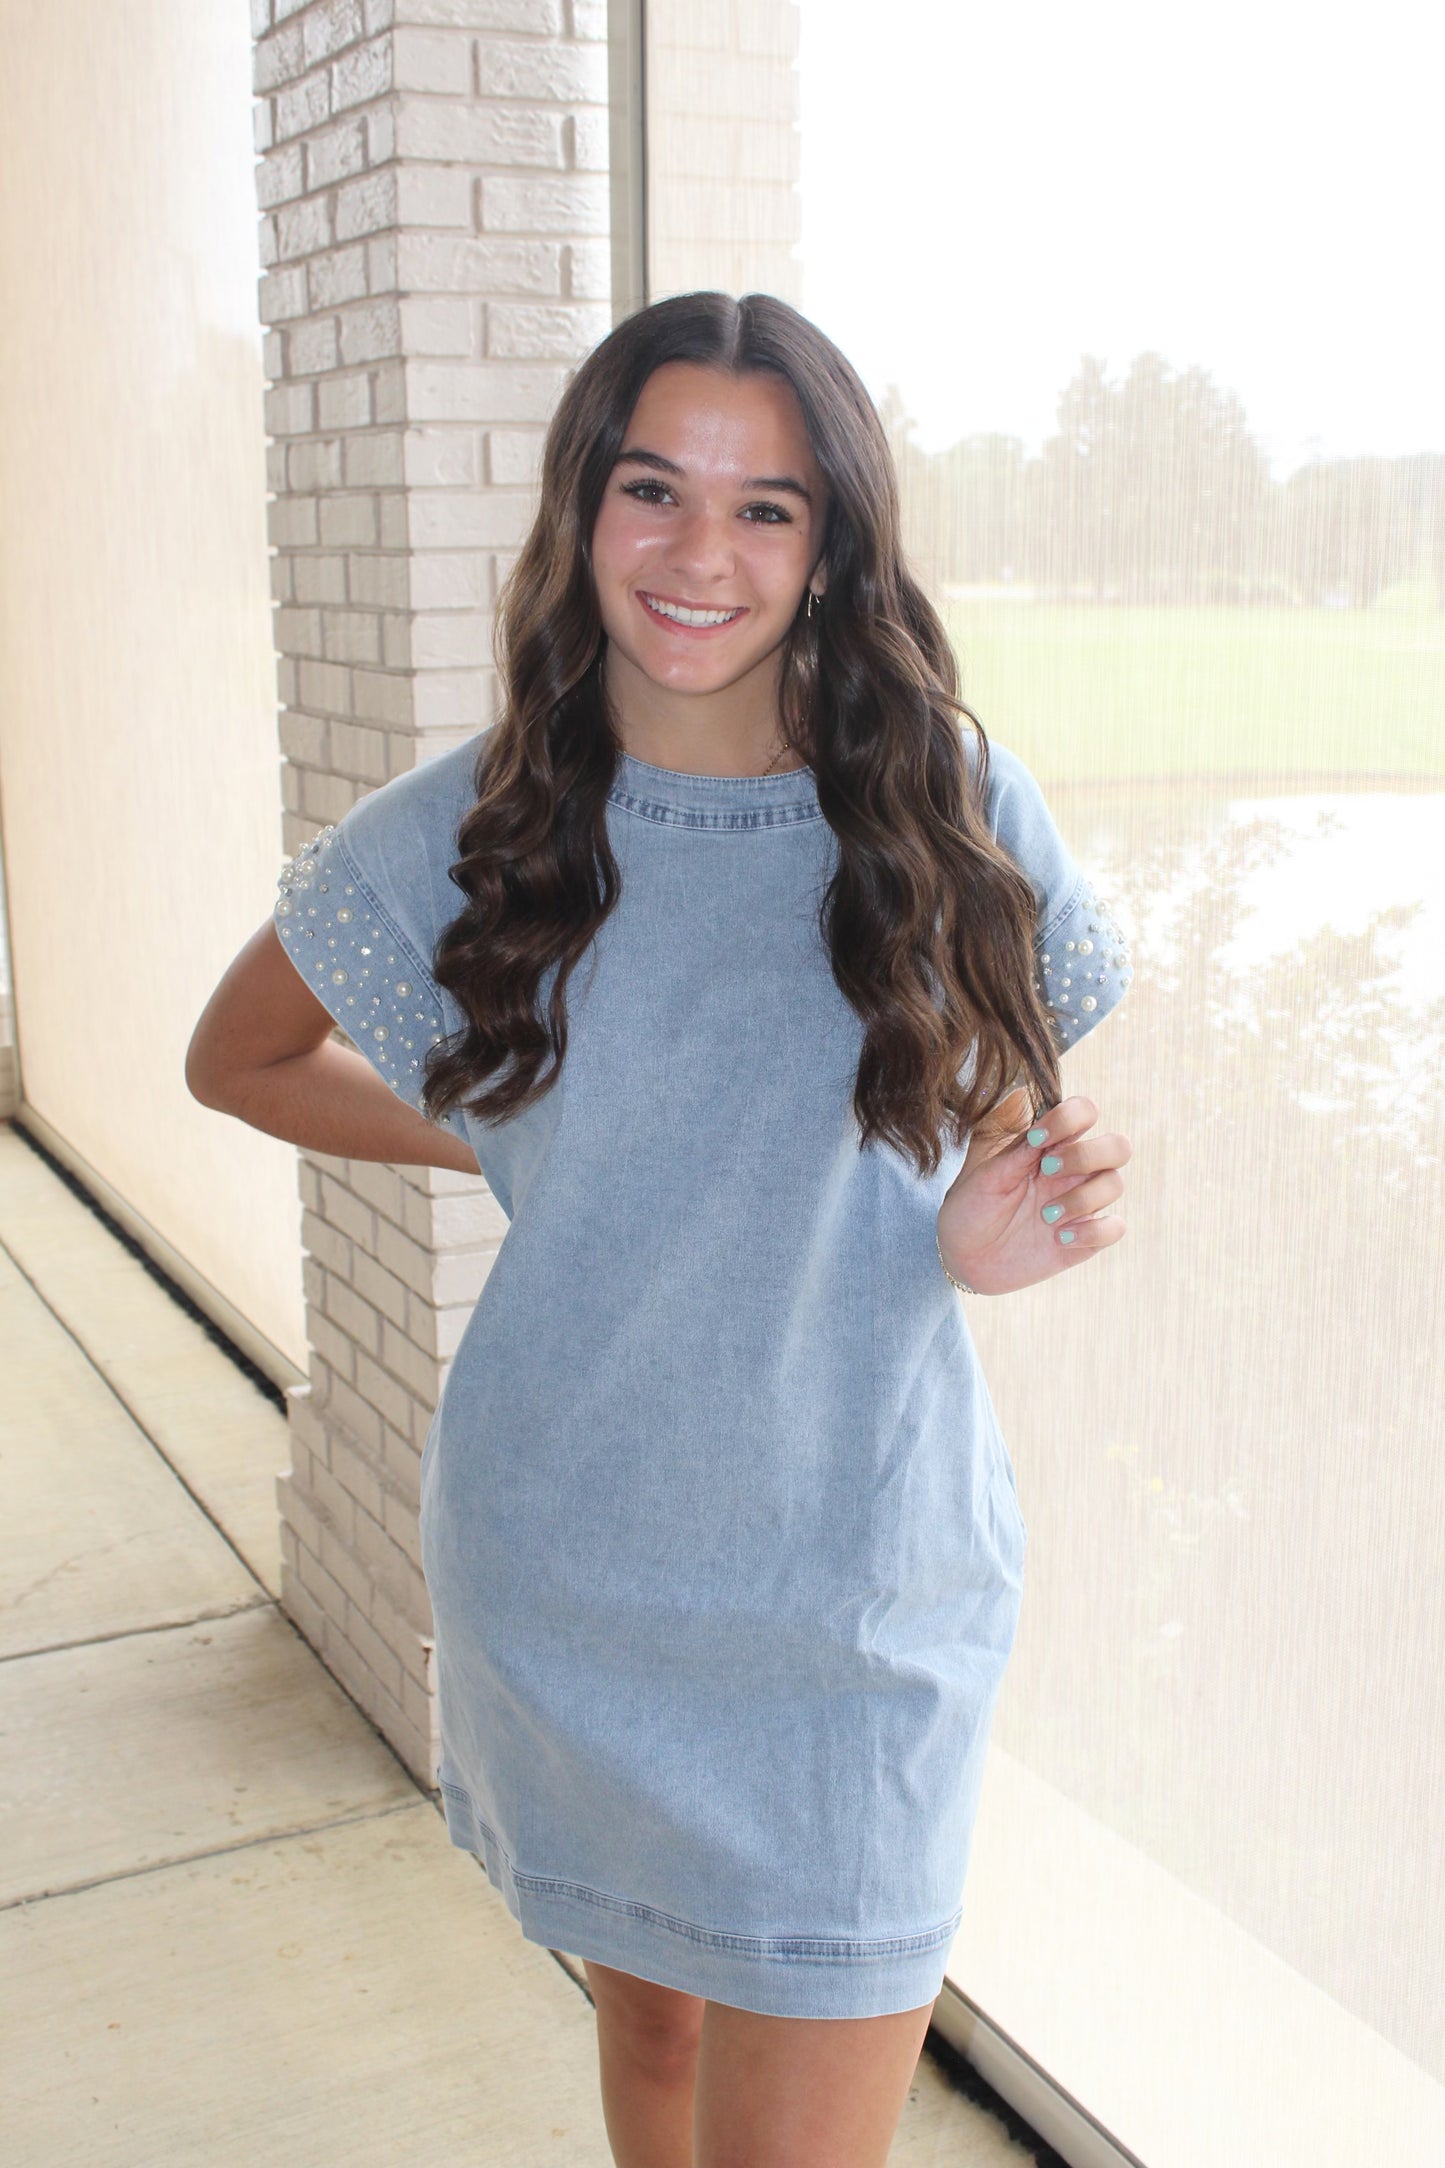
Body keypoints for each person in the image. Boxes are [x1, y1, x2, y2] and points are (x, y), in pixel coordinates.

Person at [187, 289, 1133, 2168]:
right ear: (579, 508)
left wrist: (987, 1225)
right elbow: (239, 1058)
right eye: (653, 488)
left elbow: (1015, 1116)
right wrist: (535, 1154)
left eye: (767, 505)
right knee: (656, 2078)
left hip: (857, 1593)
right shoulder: (462, 827)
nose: (703, 552)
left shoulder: (942, 801)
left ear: (830, 542)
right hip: (577, 1569)